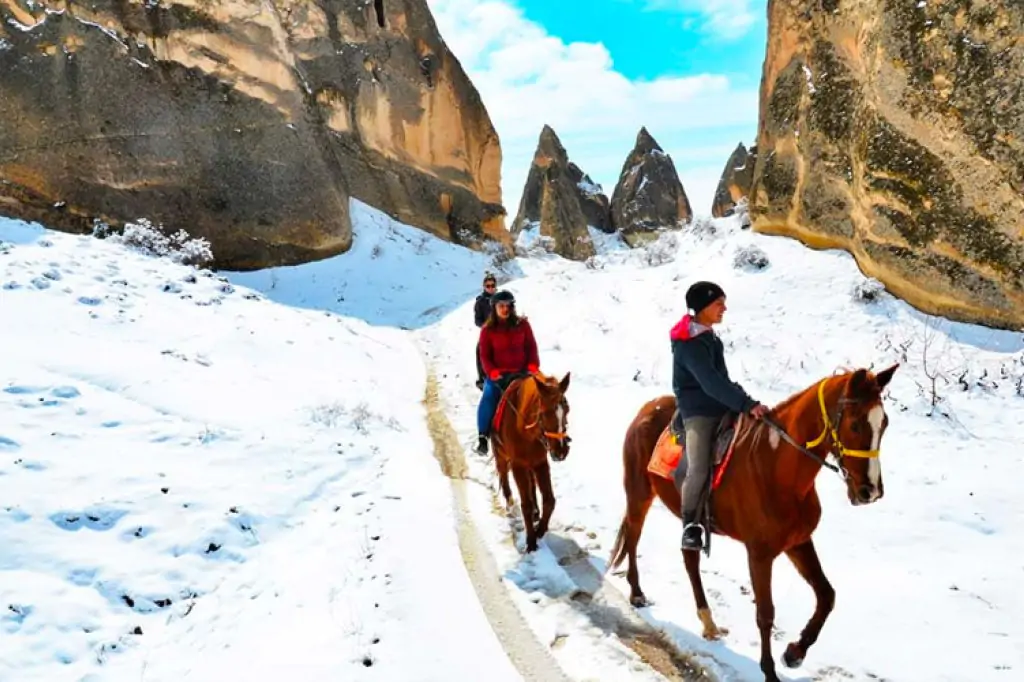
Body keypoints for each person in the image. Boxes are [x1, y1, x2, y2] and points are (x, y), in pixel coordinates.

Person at [671, 281, 769, 551]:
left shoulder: (711, 339)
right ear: (702, 307)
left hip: (720, 405)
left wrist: (747, 401)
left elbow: (722, 381)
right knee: (699, 466)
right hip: (699, 413)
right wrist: (745, 404)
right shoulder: (689, 344)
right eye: (718, 303)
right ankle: (691, 525)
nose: (724, 308)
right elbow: (710, 383)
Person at [476, 289, 540, 454]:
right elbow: (484, 355)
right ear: (494, 308)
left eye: (508, 305)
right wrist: (492, 372)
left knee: (544, 395)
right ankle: (483, 436)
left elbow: (531, 347)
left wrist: (533, 365)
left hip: (522, 373)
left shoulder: (523, 325)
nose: (505, 309)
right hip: (499, 376)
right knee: (489, 397)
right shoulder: (487, 330)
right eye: (501, 306)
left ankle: (549, 433)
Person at [473, 273, 497, 390]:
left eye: (493, 285)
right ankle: (482, 379)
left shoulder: (501, 299)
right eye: (488, 286)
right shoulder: (480, 302)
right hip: (487, 334)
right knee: (480, 351)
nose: (491, 288)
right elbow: (477, 320)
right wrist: (486, 326)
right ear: (484, 286)